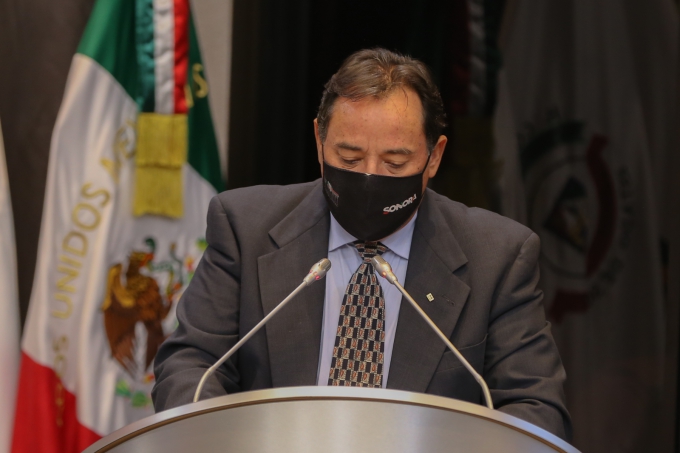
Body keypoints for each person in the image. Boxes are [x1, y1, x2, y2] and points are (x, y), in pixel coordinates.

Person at [152, 48, 571, 440]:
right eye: (349, 159)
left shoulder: (497, 257)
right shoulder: (245, 228)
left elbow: (535, 410)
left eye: (395, 163)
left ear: (434, 157)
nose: (370, 177)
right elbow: (192, 365)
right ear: (319, 141)